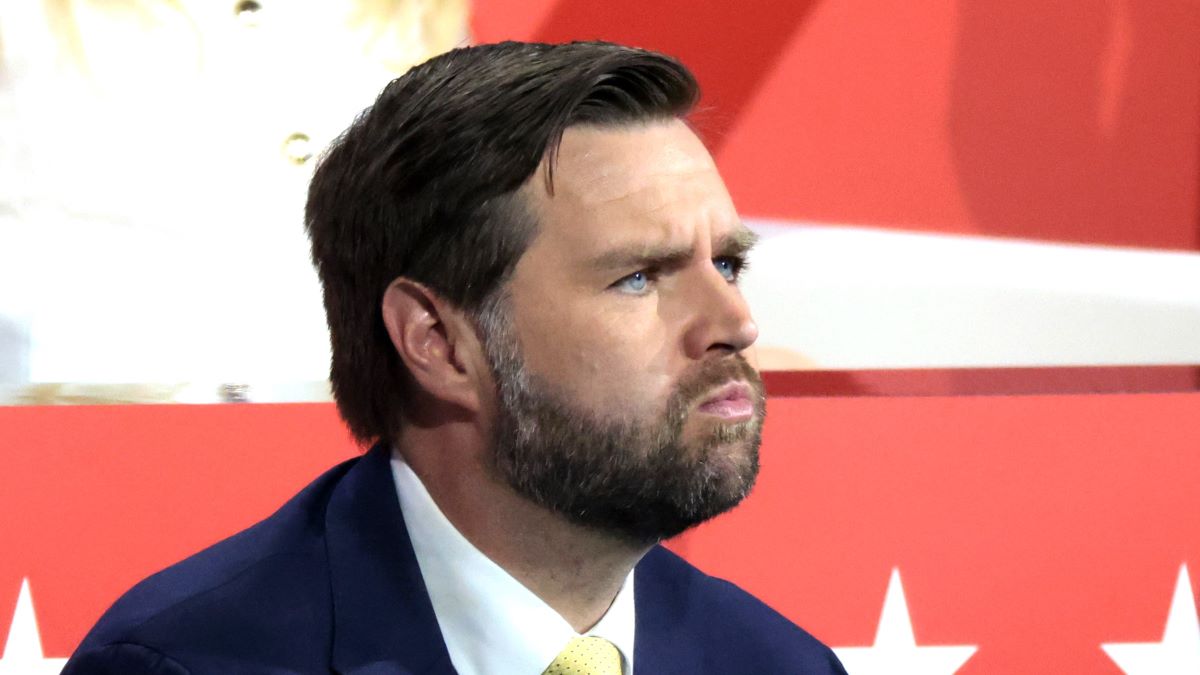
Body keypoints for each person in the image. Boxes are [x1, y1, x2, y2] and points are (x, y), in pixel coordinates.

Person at [63, 41, 847, 674]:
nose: (735, 321)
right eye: (639, 276)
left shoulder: (779, 662)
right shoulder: (188, 663)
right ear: (437, 342)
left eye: (730, 265)